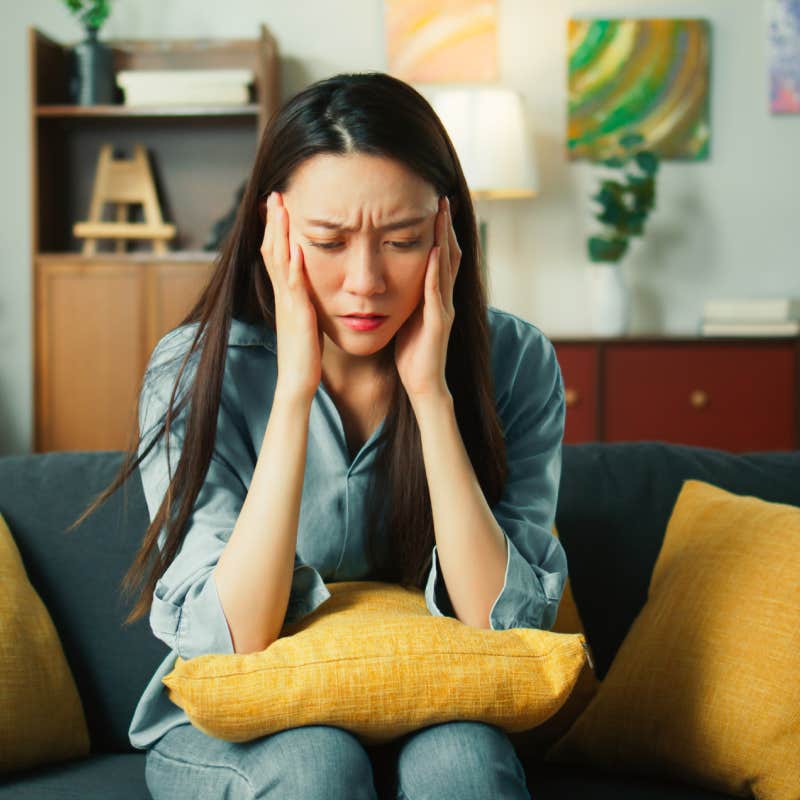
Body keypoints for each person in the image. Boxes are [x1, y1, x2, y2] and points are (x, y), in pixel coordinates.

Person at [71, 70, 567, 800]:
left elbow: (501, 623)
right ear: (272, 233)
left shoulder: (518, 362)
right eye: (328, 242)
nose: (365, 281)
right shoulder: (195, 371)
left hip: (434, 700)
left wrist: (431, 396)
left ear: (448, 232)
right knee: (316, 767)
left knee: (463, 763)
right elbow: (234, 636)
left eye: (402, 241)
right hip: (242, 720)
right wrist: (294, 388)